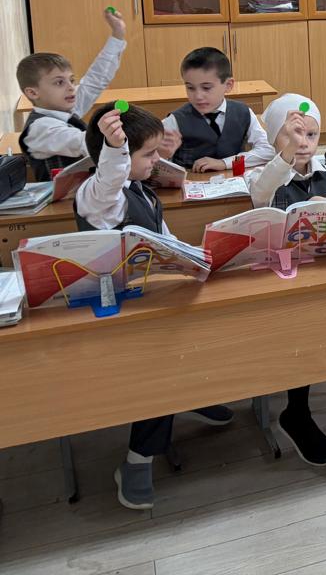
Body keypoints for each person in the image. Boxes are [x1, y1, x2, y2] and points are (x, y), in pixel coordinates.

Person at [74, 103, 232, 510]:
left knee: (208, 322)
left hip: (154, 298)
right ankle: (137, 459)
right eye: (147, 154)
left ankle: (189, 394)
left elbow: (165, 238)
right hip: (117, 313)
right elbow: (109, 182)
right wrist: (116, 149)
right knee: (162, 361)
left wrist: (195, 256)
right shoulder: (97, 197)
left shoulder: (142, 189)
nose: (156, 161)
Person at [245, 95, 326, 468]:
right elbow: (260, 194)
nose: (303, 143)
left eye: (311, 135)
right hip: (285, 280)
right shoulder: (262, 174)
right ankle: (296, 411)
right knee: (299, 329)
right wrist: (284, 156)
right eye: (292, 135)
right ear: (274, 139)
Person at [17, 7, 127, 180]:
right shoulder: (41, 129)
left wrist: (118, 35)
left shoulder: (62, 108)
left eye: (72, 80)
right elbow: (85, 142)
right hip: (63, 197)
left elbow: (96, 79)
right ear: (32, 92)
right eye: (59, 82)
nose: (70, 87)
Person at [159, 47, 273, 171]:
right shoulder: (174, 120)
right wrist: (163, 155)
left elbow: (268, 150)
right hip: (191, 181)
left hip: (234, 180)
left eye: (206, 88)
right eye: (190, 88)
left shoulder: (243, 112)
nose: (198, 96)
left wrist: (225, 163)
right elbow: (153, 163)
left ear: (228, 85)